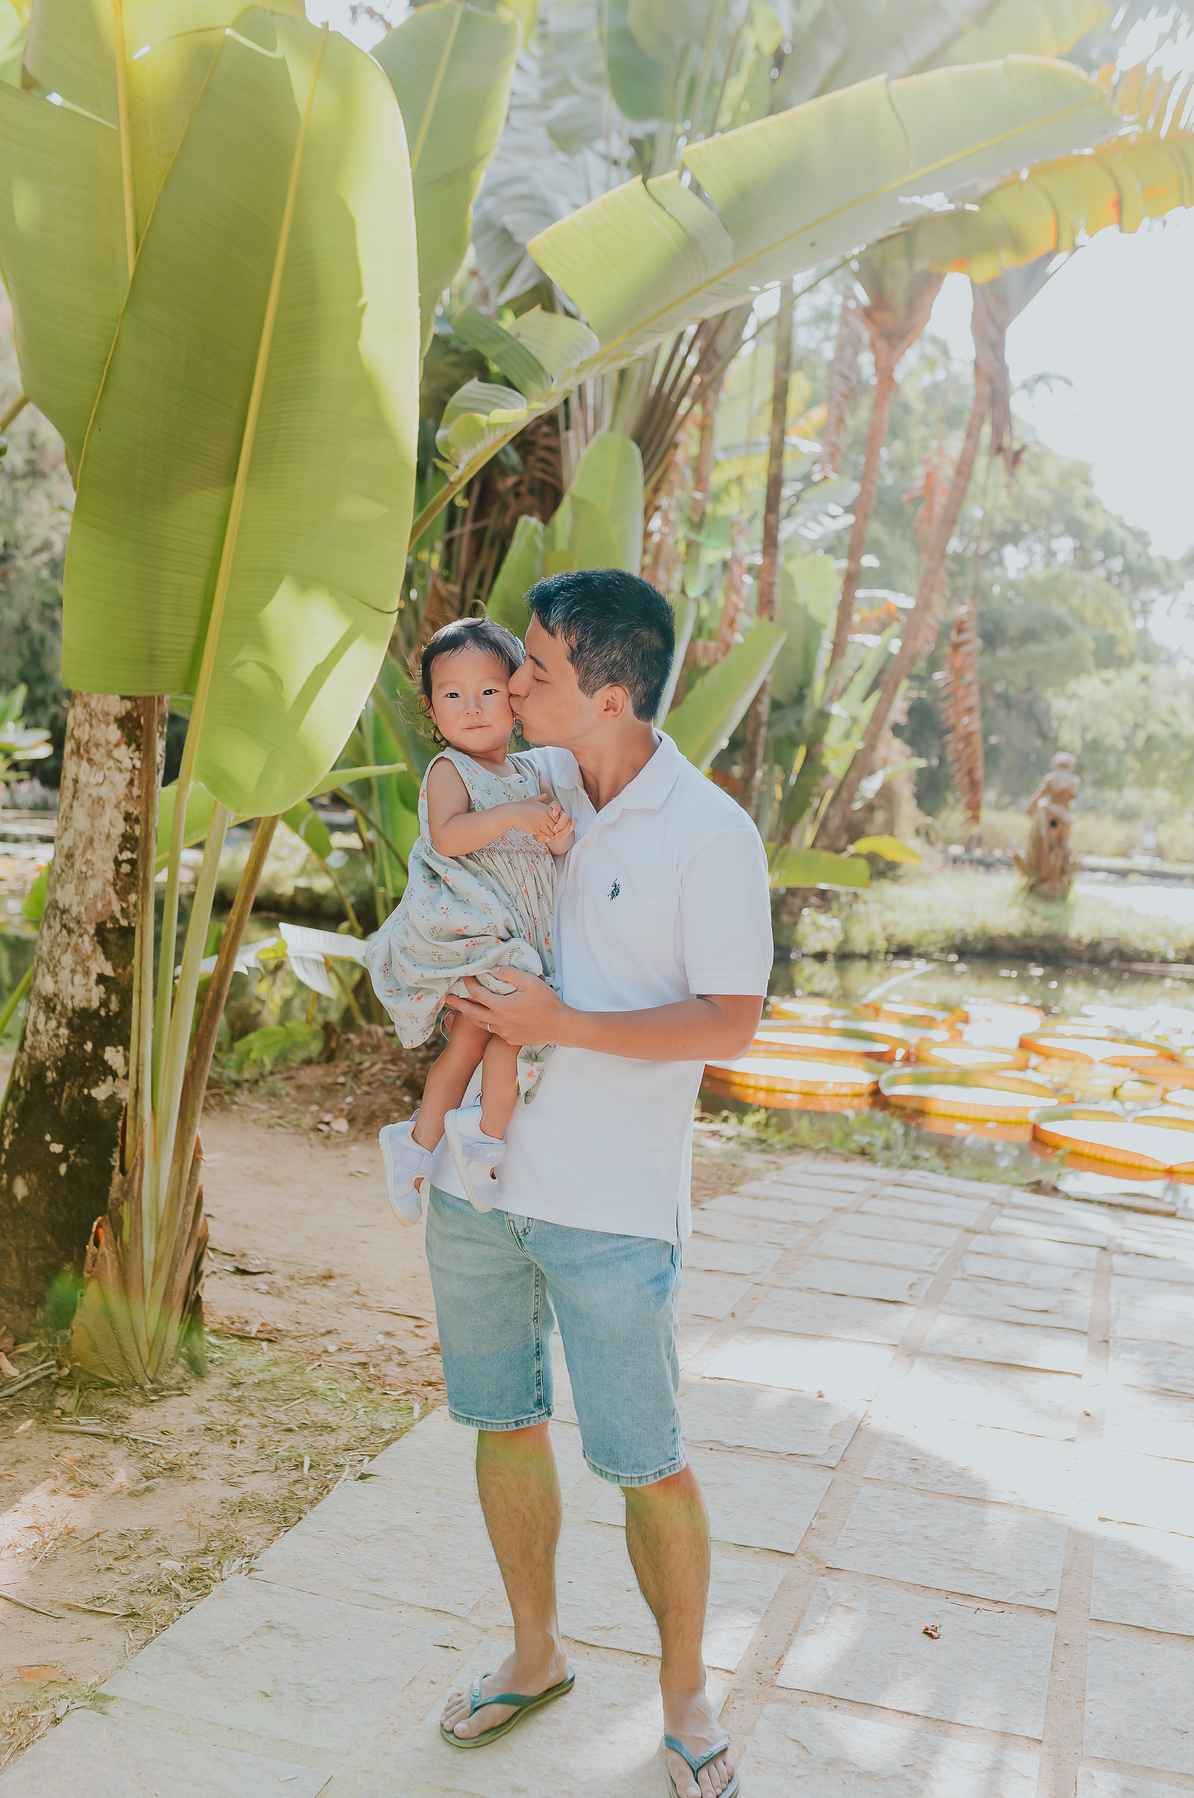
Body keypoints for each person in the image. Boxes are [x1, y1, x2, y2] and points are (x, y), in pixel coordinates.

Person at [425, 570, 773, 1798]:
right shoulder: (529, 784)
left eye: (536, 671)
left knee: (645, 1458)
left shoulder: (709, 833)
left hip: (614, 1206)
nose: (510, 686)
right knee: (500, 1422)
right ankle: (535, 1651)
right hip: (478, 1176)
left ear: (611, 694)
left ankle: (686, 1696)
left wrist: (562, 1021)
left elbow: (731, 1020)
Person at [366, 617, 574, 1220]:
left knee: (495, 1033)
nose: (472, 708)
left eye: (488, 691)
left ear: (515, 697)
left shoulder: (534, 771)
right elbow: (451, 837)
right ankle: (464, 1139)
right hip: (474, 930)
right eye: (452, 696)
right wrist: (516, 816)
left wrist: (555, 834)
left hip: (517, 929)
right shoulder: (449, 772)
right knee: (487, 1036)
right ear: (433, 709)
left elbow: (552, 846)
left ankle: (424, 1140)